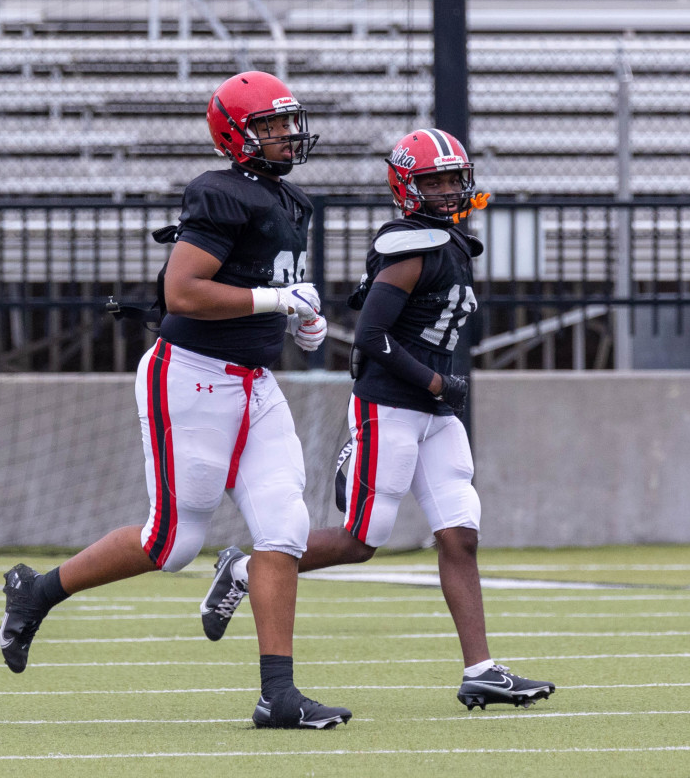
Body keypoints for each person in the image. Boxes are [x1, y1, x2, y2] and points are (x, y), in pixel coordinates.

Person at [0, 71, 352, 730]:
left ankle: (279, 695)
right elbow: (183, 292)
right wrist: (278, 300)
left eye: (286, 123)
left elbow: (272, 286)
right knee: (173, 542)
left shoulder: (291, 201)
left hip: (255, 384)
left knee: (285, 528)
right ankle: (35, 593)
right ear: (234, 135)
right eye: (269, 125)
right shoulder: (217, 193)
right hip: (189, 377)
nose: (285, 134)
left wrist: (303, 323)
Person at [198, 128, 555, 711]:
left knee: (459, 534)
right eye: (432, 181)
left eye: (451, 179)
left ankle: (482, 670)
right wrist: (435, 380)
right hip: (390, 404)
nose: (445, 191)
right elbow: (370, 336)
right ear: (407, 188)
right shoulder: (410, 248)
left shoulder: (447, 241)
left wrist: (438, 392)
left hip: (434, 412)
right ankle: (241, 570)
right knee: (362, 541)